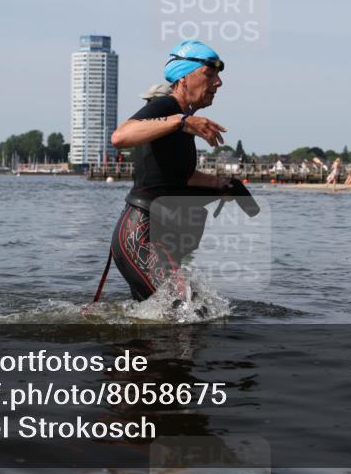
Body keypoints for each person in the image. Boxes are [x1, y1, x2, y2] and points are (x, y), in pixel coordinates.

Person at [106, 40, 255, 303]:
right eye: (210, 74)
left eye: (218, 76)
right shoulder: (168, 108)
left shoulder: (181, 120)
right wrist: (181, 121)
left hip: (158, 235)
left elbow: (181, 178)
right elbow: (120, 136)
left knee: (178, 316)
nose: (218, 83)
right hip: (140, 235)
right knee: (185, 311)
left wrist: (224, 185)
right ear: (184, 78)